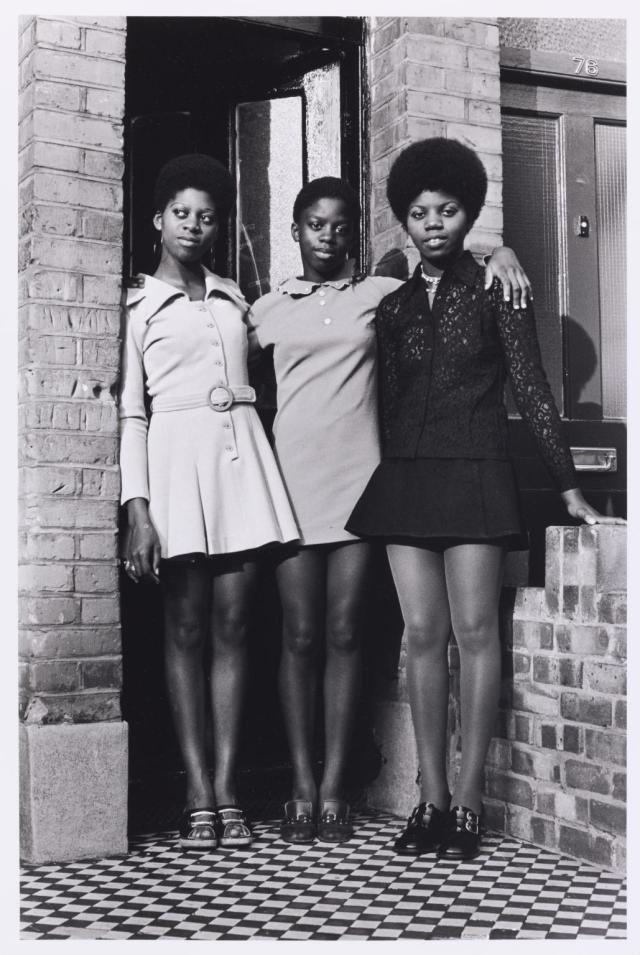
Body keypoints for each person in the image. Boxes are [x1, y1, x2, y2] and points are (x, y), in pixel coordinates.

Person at [346, 138, 625, 860]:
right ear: (404, 221)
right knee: (420, 636)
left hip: (476, 474)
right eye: (419, 213)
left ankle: (469, 802)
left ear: (467, 214)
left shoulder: (498, 287)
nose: (432, 224)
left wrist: (569, 487)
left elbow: (531, 388)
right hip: (407, 480)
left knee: (475, 634)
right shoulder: (394, 306)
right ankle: (430, 798)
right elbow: (388, 404)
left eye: (446, 210)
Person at [248, 176, 532, 844]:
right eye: (315, 224)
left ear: (357, 233)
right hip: (290, 486)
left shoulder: (382, 294)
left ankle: (336, 788)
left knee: (347, 631)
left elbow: (445, 258)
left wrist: (501, 250)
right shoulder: (262, 309)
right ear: (295, 231)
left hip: (359, 484)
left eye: (341, 225)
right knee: (298, 635)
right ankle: (300, 784)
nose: (328, 236)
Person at [119, 154, 299, 851]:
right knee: (185, 629)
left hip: (241, 464)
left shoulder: (234, 297)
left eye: (207, 216)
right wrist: (138, 509)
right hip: (175, 467)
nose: (194, 225)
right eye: (181, 213)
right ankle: (196, 788)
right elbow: (132, 412)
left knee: (235, 627)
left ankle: (228, 787)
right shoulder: (136, 306)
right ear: (158, 220)